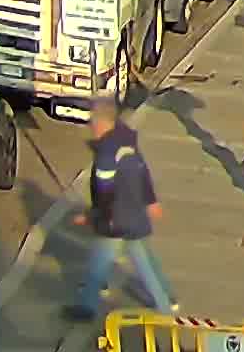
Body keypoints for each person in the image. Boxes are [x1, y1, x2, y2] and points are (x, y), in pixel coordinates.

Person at [68, 93, 177, 321]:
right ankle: (166, 300)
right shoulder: (126, 141)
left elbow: (105, 191)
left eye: (92, 120)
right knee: (141, 259)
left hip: (115, 217)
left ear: (101, 122)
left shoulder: (107, 152)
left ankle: (87, 307)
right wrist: (150, 200)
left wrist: (94, 216)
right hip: (133, 210)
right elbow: (142, 170)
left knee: (101, 262)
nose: (90, 126)